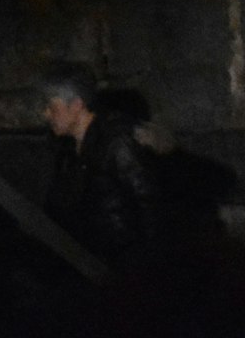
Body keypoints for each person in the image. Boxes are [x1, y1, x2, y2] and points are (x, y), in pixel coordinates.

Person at [40, 64, 159, 269]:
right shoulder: (67, 149)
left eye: (52, 107)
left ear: (76, 105)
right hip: (91, 263)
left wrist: (144, 270)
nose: (46, 114)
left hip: (122, 266)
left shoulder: (116, 142)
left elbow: (149, 205)